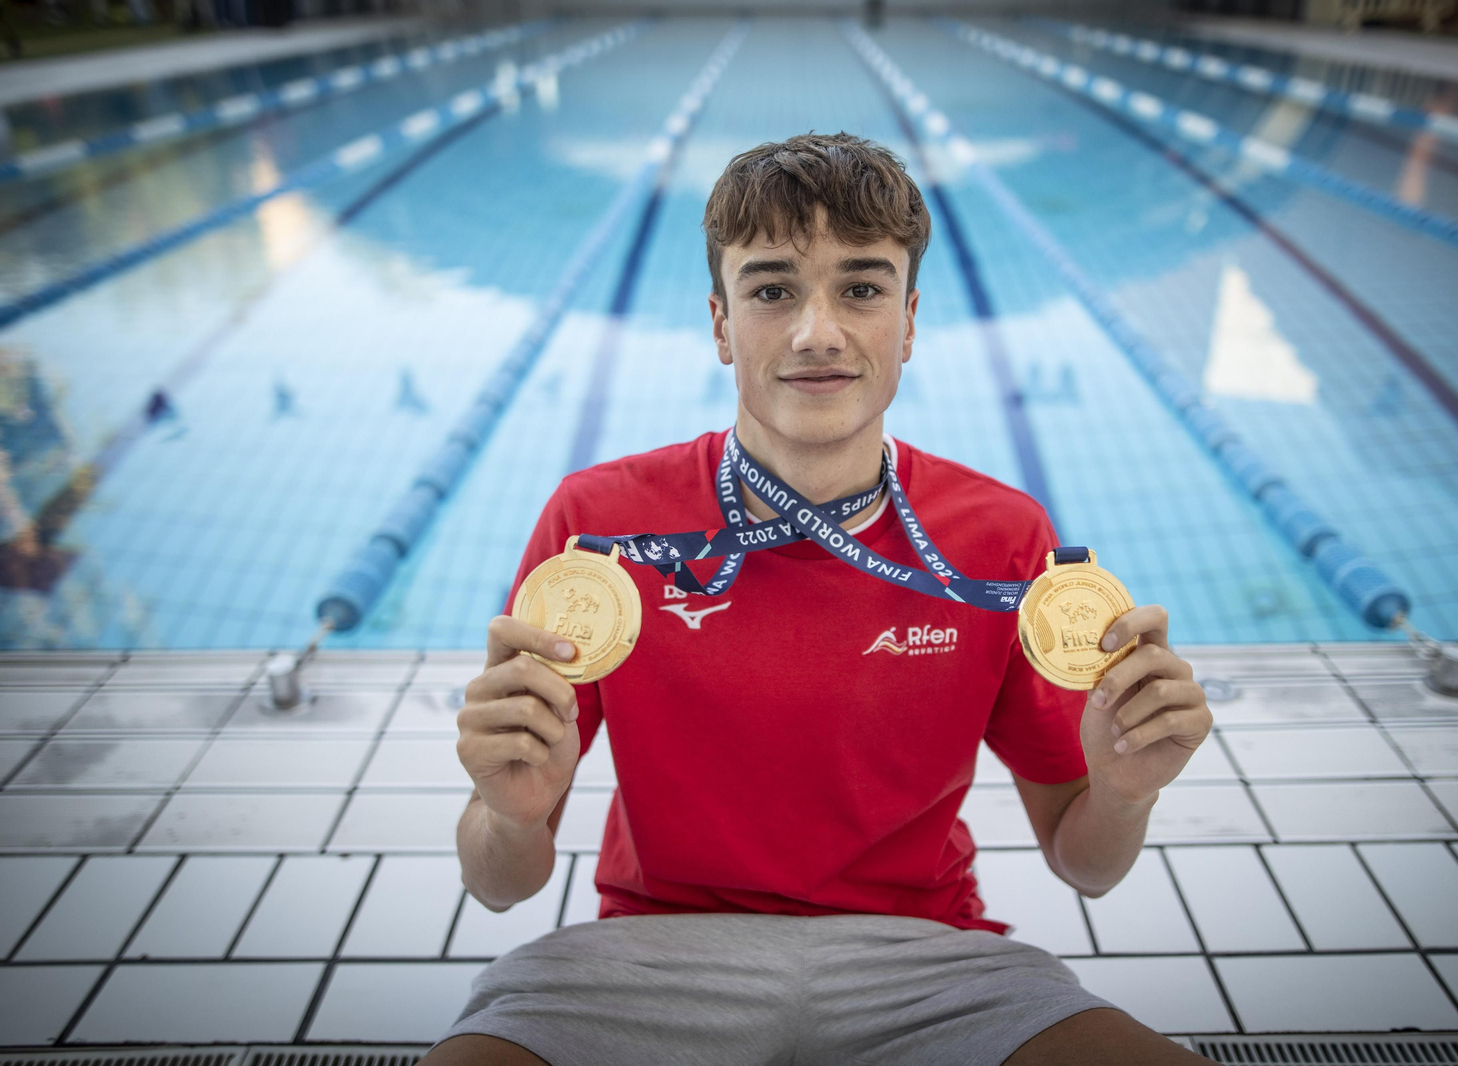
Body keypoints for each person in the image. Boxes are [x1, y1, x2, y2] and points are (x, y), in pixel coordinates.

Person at [423, 133, 1214, 1066]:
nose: (816, 332)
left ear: (908, 322)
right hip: (653, 957)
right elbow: (499, 887)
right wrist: (507, 814)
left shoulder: (1000, 537)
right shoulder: (598, 525)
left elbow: (1086, 864)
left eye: (862, 288)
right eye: (771, 291)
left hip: (927, 966)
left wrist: (1124, 790)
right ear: (721, 323)